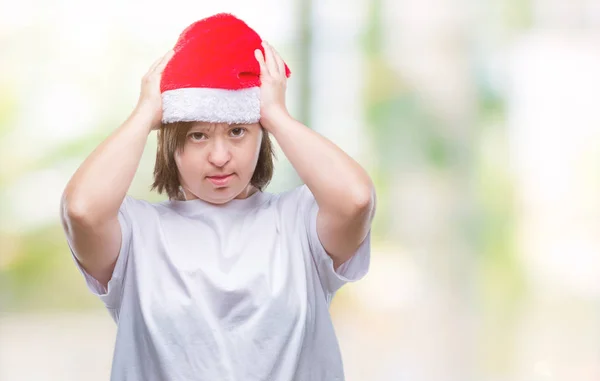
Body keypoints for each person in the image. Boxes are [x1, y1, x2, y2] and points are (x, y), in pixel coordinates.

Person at [60, 13, 375, 381]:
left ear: (262, 134)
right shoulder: (136, 233)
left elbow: (356, 200)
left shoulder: (300, 222)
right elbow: (81, 210)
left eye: (238, 131)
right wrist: (145, 112)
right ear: (169, 141)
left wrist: (275, 113)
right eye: (197, 135)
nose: (220, 156)